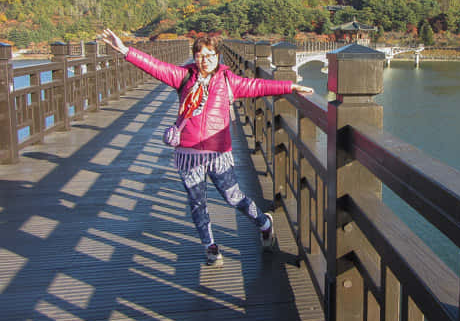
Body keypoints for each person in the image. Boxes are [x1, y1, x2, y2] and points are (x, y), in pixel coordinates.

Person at [101, 29, 314, 267]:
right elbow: (154, 66)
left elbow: (257, 85)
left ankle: (264, 223)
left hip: (218, 153)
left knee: (233, 197)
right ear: (194, 57)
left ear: (218, 56)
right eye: (200, 55)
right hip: (188, 154)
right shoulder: (183, 77)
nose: (206, 59)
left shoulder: (228, 81)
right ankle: (210, 247)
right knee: (197, 202)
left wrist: (290, 86)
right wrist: (126, 51)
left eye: (210, 54)